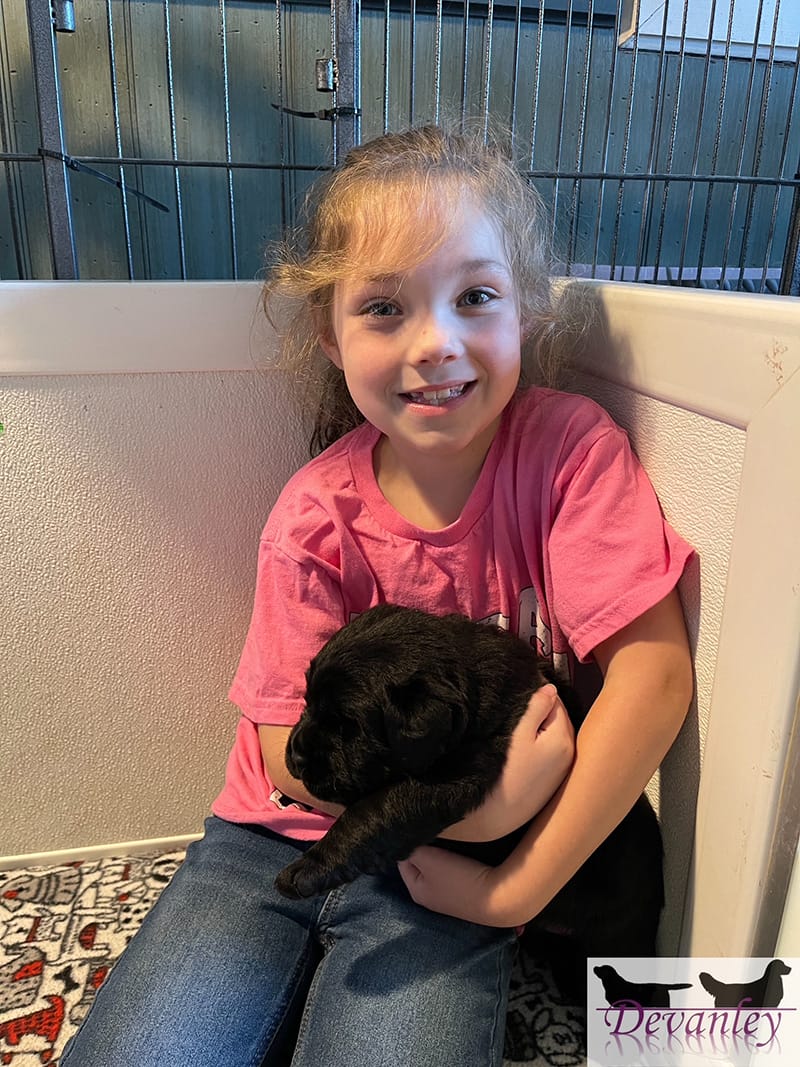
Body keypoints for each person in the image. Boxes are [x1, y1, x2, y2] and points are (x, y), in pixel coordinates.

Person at [62, 124, 694, 1067]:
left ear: (524, 307)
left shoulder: (570, 453)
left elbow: (654, 679)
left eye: (476, 296)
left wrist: (512, 887)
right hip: (267, 838)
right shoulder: (317, 509)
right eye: (386, 308)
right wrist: (480, 809)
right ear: (331, 332)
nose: (436, 344)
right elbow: (286, 756)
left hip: (449, 877)